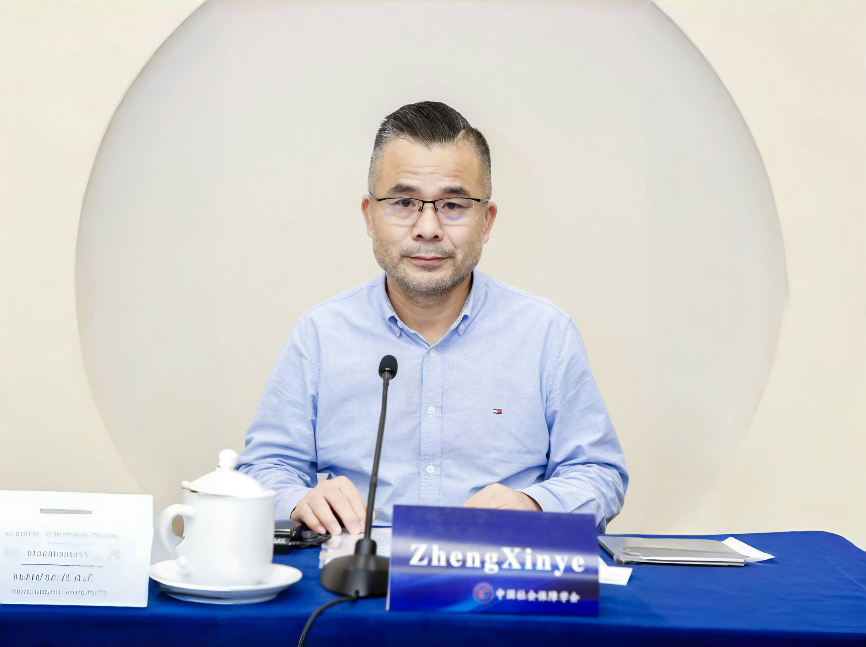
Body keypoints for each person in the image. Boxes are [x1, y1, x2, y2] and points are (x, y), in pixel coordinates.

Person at [237, 101, 628, 536]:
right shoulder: (321, 335)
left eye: (453, 205)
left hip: (497, 567)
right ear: (369, 216)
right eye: (404, 202)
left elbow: (600, 474)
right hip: (360, 569)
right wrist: (299, 500)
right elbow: (263, 469)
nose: (428, 228)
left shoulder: (546, 334)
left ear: (486, 221)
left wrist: (535, 504)